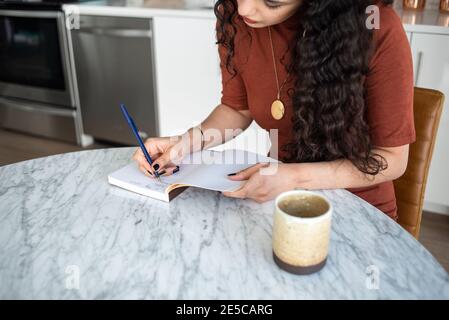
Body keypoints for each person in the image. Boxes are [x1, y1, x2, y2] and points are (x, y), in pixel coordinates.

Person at [133, 0, 415, 220]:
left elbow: (392, 159)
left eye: (272, 2)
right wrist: (185, 143)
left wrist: (294, 177)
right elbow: (237, 108)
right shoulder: (236, 17)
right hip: (274, 195)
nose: (244, 8)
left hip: (358, 208)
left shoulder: (375, 26)